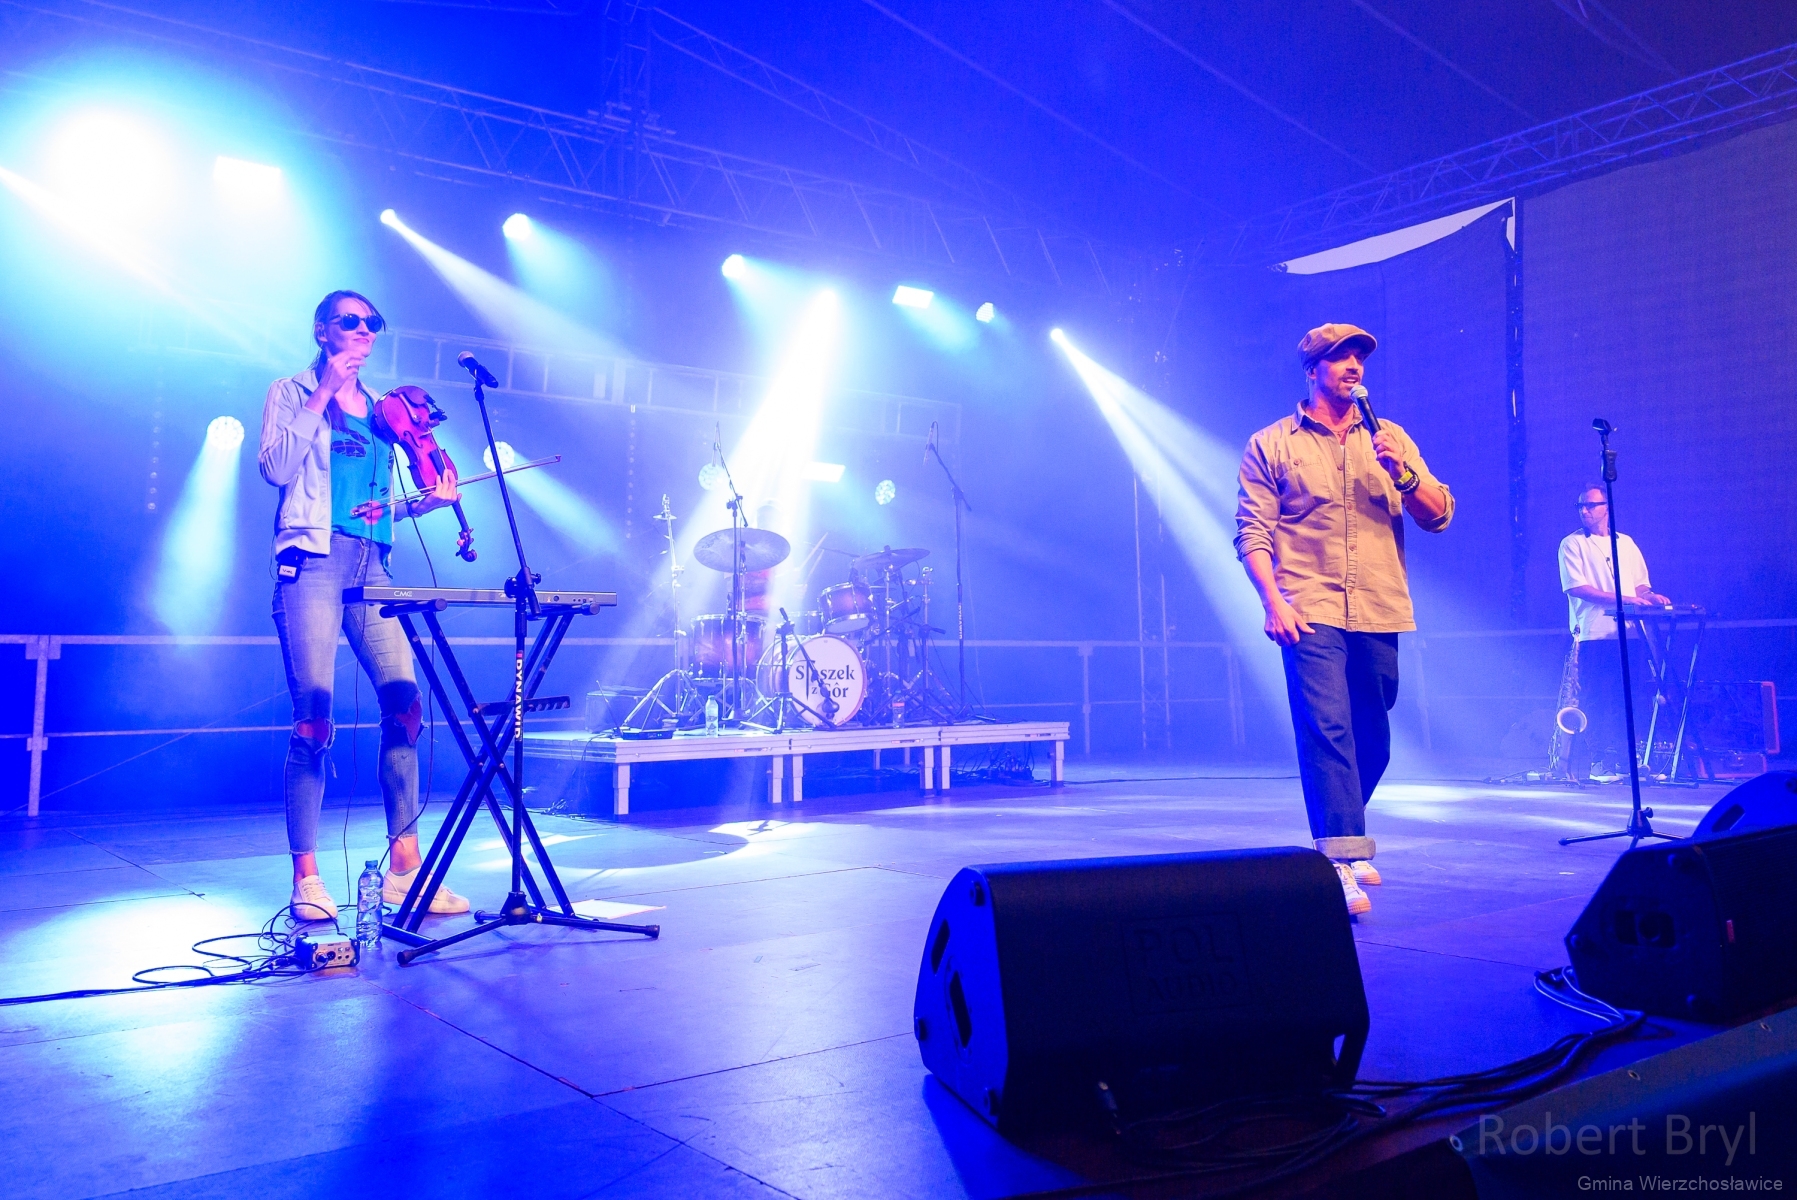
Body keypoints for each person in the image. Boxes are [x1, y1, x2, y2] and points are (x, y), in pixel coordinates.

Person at [259, 290, 470, 922]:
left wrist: (426, 503)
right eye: (350, 321)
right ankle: (306, 878)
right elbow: (276, 468)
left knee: (405, 706)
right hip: (313, 560)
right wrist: (324, 391)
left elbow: (378, 508)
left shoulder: (384, 411)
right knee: (314, 718)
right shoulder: (291, 392)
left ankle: (405, 869)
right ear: (322, 330)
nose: (364, 331)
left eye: (372, 323)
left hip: (372, 563)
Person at [1235, 323, 1455, 916]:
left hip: (1379, 605)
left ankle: (1346, 837)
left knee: (1373, 739)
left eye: (1359, 357)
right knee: (1326, 730)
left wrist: (1404, 474)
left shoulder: (1390, 437)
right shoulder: (1271, 444)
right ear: (1313, 370)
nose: (1354, 365)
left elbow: (1439, 515)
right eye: (1340, 357)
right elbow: (1252, 531)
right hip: (1308, 607)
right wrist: (1272, 601)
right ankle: (1338, 860)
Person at [1558, 485, 1668, 779]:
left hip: (1629, 634)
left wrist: (1651, 597)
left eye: (1590, 505)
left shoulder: (1626, 543)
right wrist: (1626, 599)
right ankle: (1600, 761)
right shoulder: (1572, 544)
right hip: (1594, 634)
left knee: (1629, 698)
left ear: (1606, 507)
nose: (1584, 511)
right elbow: (1577, 588)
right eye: (1580, 506)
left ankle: (1626, 759)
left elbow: (1641, 586)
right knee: (1599, 698)